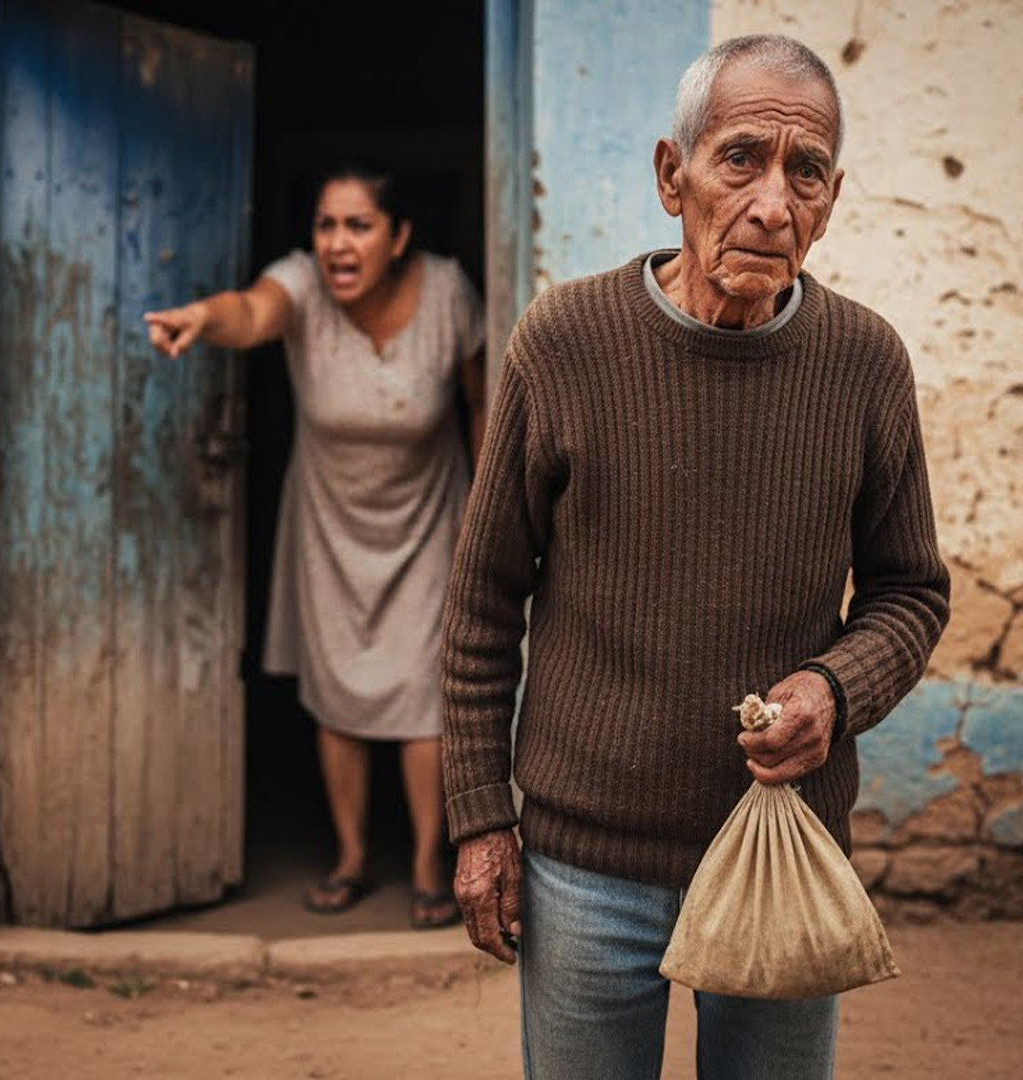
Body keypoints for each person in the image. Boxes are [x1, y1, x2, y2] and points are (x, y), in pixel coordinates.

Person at [441, 34, 950, 1079]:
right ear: (672, 175)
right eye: (740, 159)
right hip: (586, 868)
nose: (773, 201)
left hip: (786, 854)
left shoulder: (866, 364)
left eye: (804, 171)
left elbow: (910, 592)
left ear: (833, 197)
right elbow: (484, 601)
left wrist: (832, 687)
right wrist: (482, 817)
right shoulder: (564, 342)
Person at [145, 166, 486, 930]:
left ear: (397, 239)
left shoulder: (446, 293)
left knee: (424, 695)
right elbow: (251, 311)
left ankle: (430, 864)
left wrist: (486, 512)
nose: (337, 243)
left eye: (358, 226)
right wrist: (202, 316)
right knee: (337, 694)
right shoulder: (299, 286)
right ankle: (351, 857)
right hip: (329, 524)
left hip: (430, 514)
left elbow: (479, 399)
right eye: (327, 225)